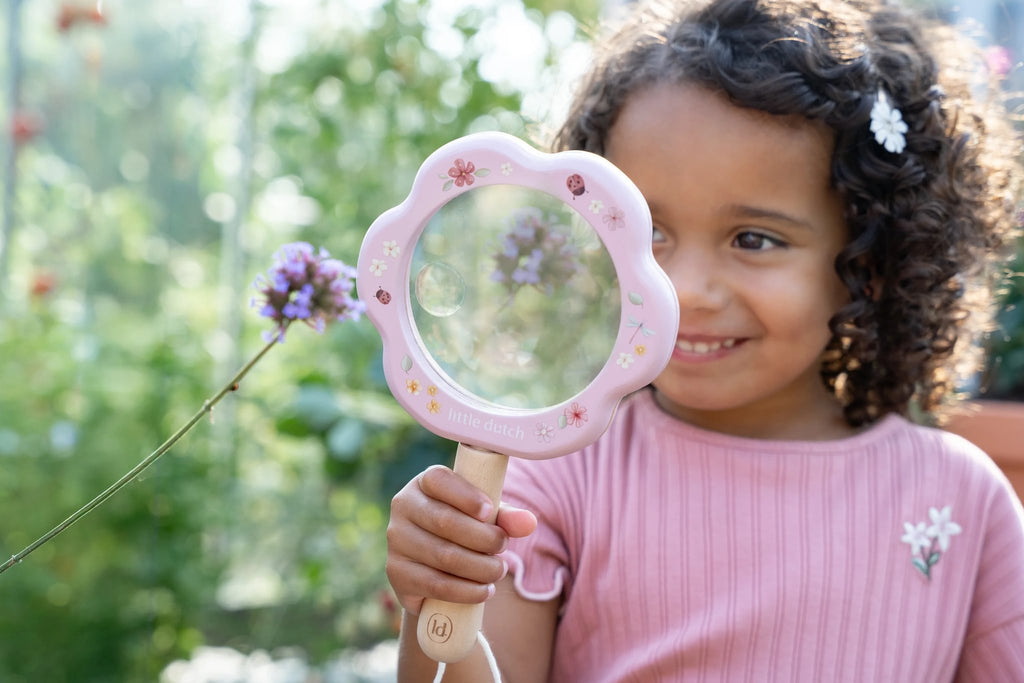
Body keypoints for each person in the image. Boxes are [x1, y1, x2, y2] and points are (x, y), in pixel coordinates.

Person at [384, 0, 1024, 680]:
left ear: (867, 261)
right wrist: (439, 604)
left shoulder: (963, 501)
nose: (683, 288)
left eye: (754, 239)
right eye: (649, 231)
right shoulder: (555, 474)